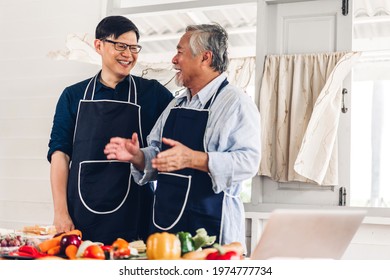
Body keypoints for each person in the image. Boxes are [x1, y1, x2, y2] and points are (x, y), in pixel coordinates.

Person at [104, 23, 261, 252]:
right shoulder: (177, 103)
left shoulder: (236, 103)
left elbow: (248, 162)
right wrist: (137, 156)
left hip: (212, 233)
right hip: (166, 229)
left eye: (180, 52)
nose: (174, 60)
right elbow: (158, 155)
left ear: (205, 58)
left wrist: (192, 159)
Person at [47, 15, 174, 245]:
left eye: (134, 48)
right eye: (121, 46)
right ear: (99, 45)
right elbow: (59, 154)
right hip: (81, 217)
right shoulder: (73, 96)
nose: (128, 54)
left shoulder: (153, 94)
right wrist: (60, 213)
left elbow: (178, 140)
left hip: (136, 215)